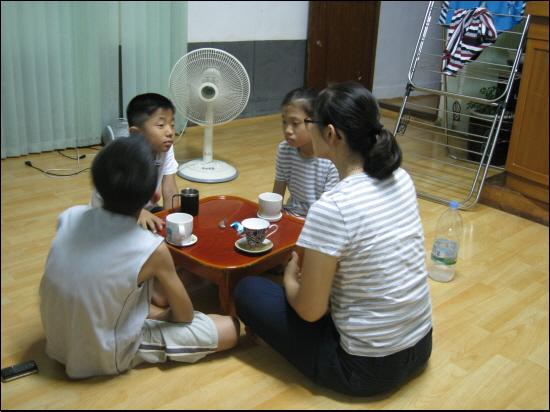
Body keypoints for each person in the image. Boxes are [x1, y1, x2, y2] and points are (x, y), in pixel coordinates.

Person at [234, 82, 432, 397]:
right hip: (420, 346)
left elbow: (311, 311)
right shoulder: (400, 177)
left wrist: (288, 276)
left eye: (307, 122)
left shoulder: (333, 206)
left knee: (247, 289)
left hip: (363, 369)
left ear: (330, 134)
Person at [40, 135, 239, 379]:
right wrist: (164, 317)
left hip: (56, 339)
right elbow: (184, 316)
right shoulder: (151, 248)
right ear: (153, 197)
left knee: (144, 296)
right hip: (99, 355)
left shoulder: (70, 215)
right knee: (229, 328)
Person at [91, 93, 180, 233]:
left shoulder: (165, 147)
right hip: (112, 213)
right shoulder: (124, 154)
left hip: (146, 208)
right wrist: (138, 213)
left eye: (172, 125)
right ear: (135, 133)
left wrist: (174, 220)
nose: (169, 132)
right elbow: (114, 198)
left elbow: (169, 189)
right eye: (161, 125)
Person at [273, 87, 339, 218]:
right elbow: (277, 193)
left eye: (295, 123)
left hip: (319, 220)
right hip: (291, 213)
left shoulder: (331, 158)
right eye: (284, 122)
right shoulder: (285, 150)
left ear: (314, 123)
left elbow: (328, 209)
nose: (287, 130)